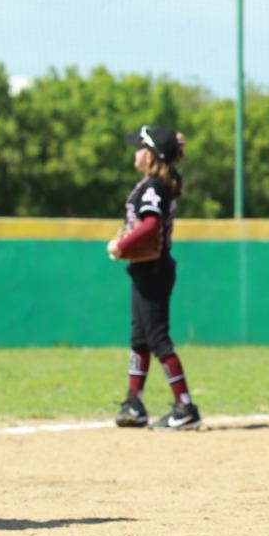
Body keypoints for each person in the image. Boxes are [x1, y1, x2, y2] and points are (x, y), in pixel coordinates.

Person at [107, 124, 200, 431]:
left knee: (157, 338)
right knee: (140, 339)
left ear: (150, 156)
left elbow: (150, 225)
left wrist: (122, 245)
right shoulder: (155, 183)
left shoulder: (153, 188)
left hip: (154, 270)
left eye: (139, 147)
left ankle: (185, 406)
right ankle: (134, 403)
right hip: (144, 270)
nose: (134, 152)